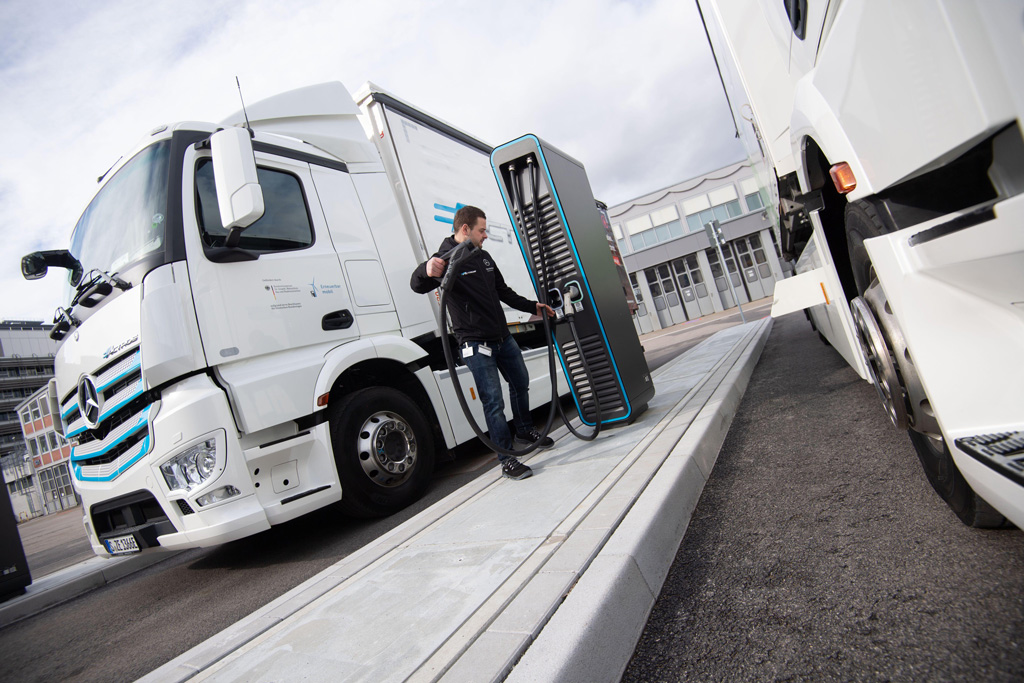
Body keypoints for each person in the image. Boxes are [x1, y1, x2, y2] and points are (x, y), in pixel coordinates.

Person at [410, 205, 555, 480]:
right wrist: (426, 270)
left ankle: (524, 429)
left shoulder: (484, 257)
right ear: (465, 229)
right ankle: (507, 460)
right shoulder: (444, 260)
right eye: (481, 230)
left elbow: (503, 291)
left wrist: (532, 306)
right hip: (475, 344)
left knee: (520, 382)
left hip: (502, 337)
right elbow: (417, 284)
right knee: (493, 401)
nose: (485, 235)